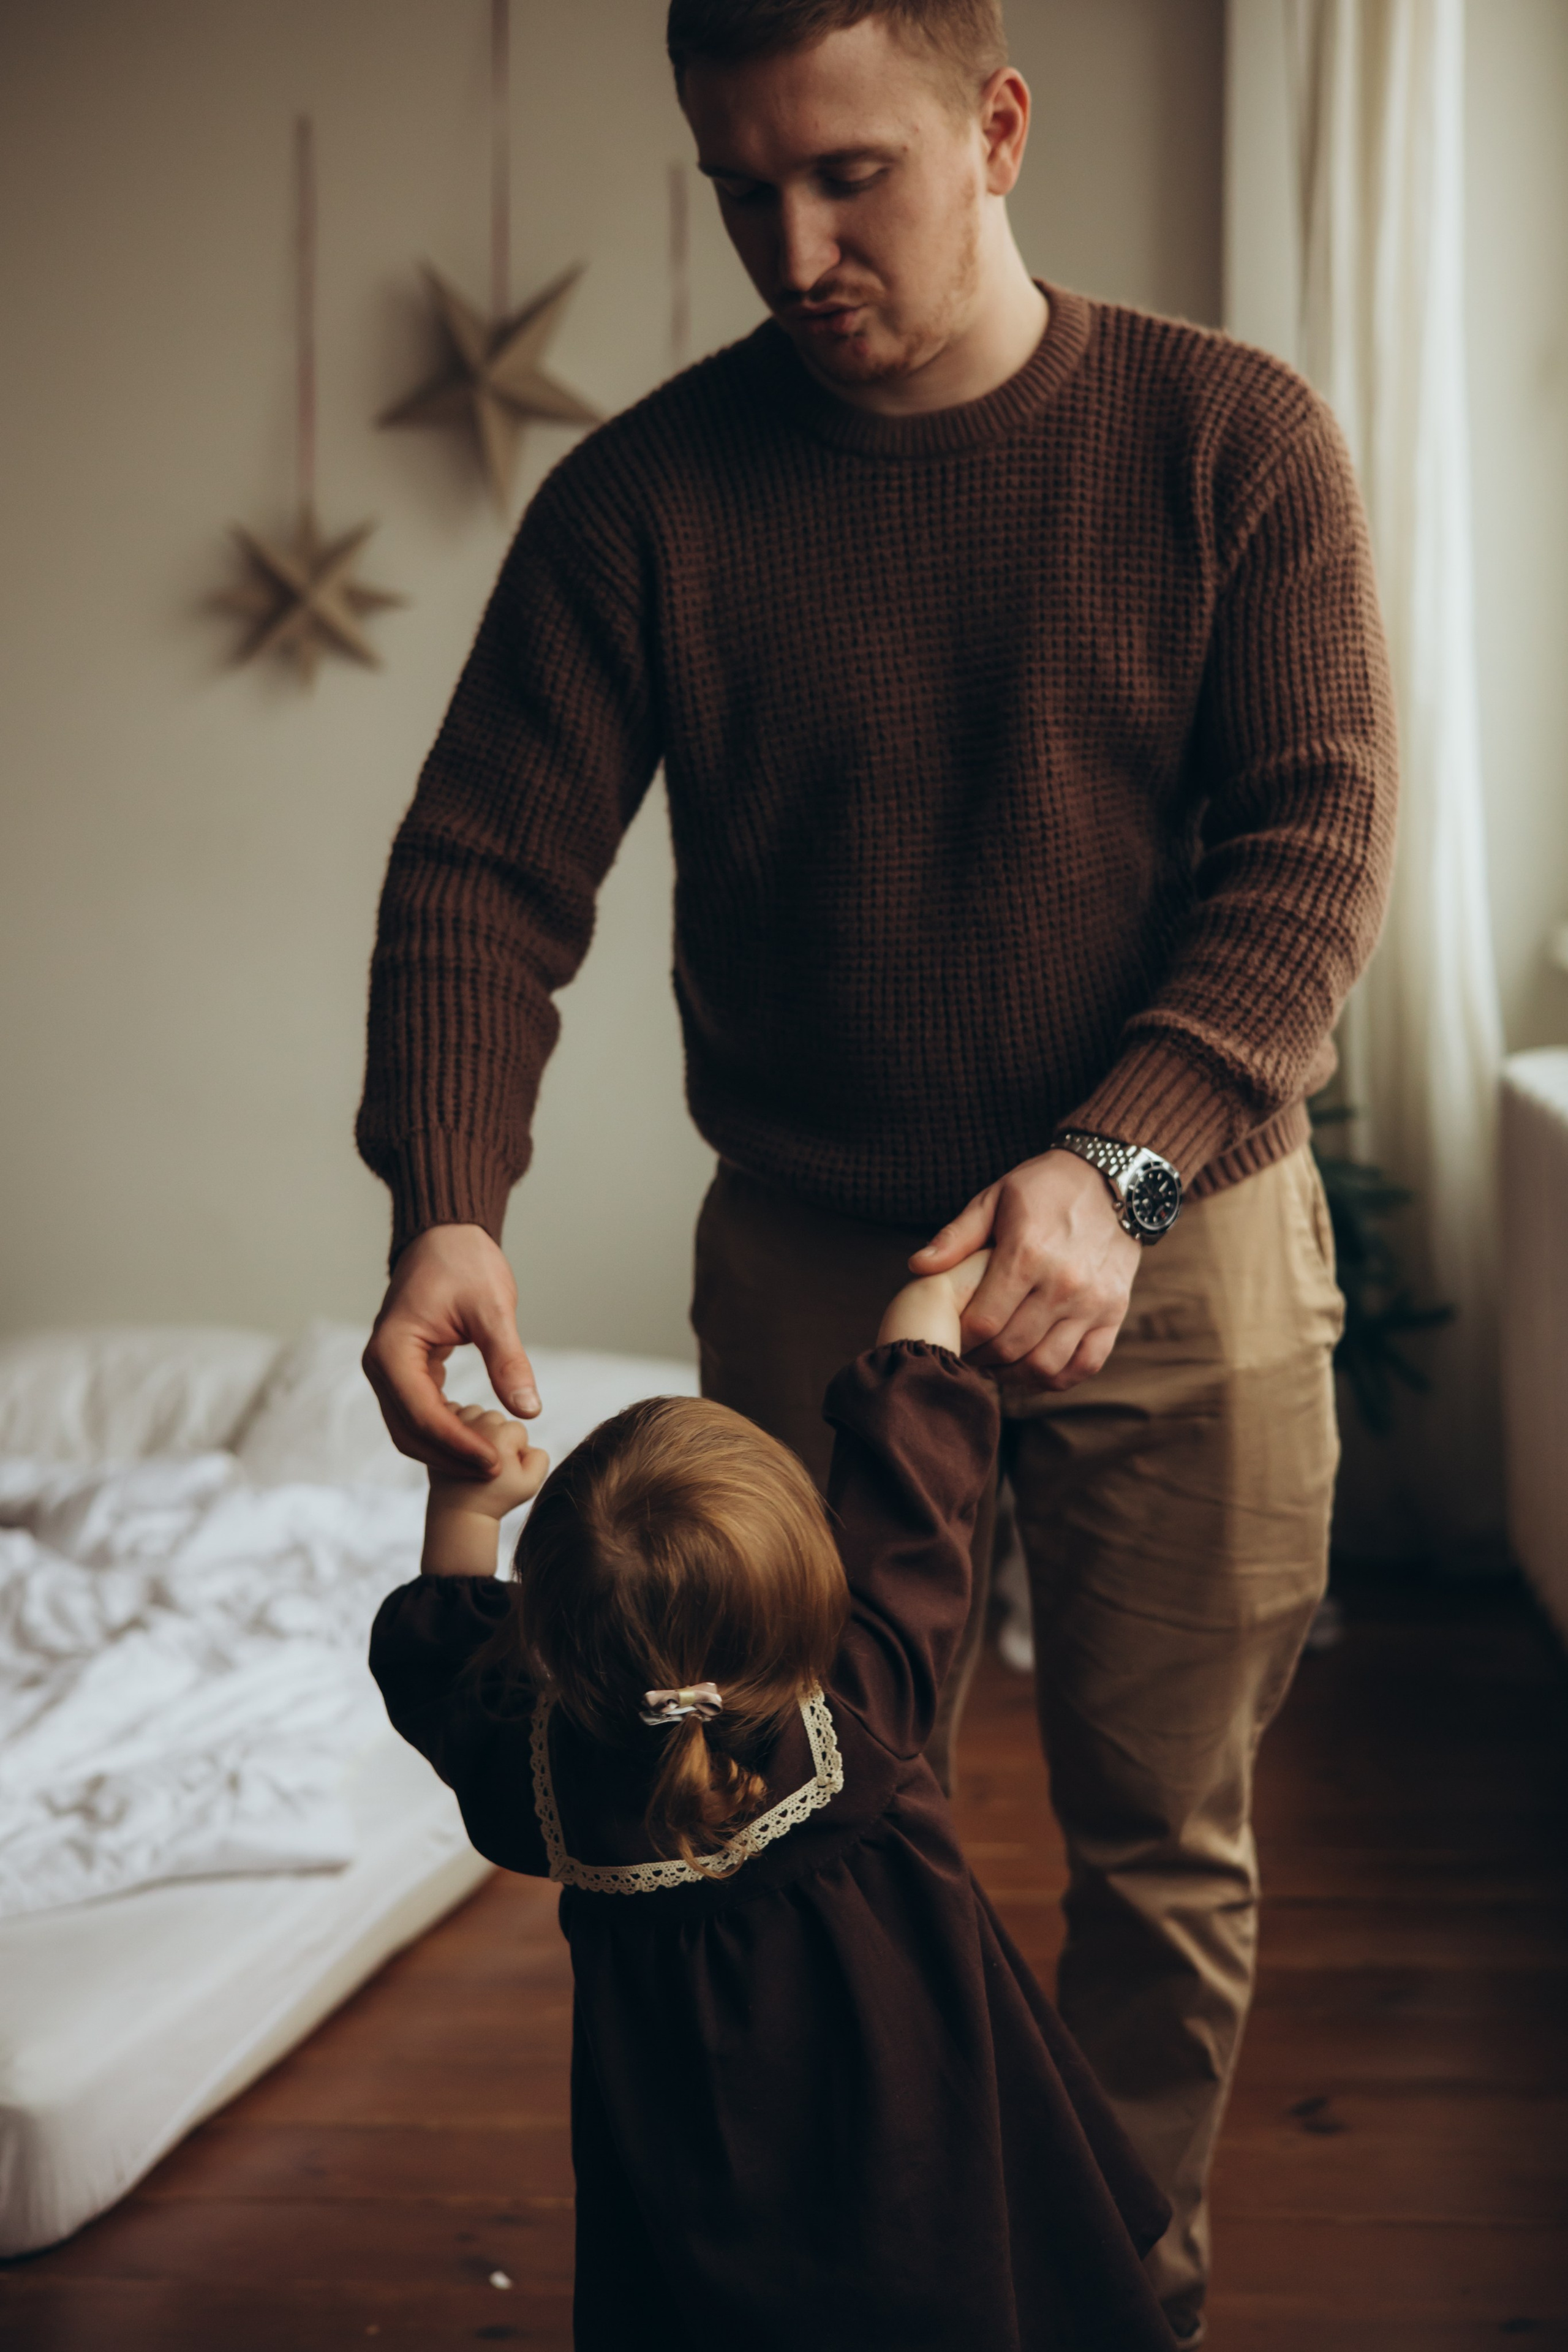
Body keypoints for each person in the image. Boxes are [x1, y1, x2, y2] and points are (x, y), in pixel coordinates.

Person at [355, 2, 1396, 2337]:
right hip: (819, 1266)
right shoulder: (642, 503)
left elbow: (1316, 843)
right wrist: (447, 1196)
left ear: (996, 127)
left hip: (1180, 1243)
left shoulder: (1229, 440)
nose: (791, 244)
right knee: (763, 1835)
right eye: (740, 187)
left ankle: (1122, 2296)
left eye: (851, 175)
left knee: (1163, 1856)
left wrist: (1108, 1166)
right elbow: (484, 872)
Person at [369, 1251, 1180, 2351]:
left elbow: (447, 1681)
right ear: (816, 1591)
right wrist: (926, 1315)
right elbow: (910, 1491)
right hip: (927, 2196)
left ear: (550, 1635)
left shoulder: (544, 1781)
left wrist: (466, 1502)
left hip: (702, 2231)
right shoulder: (862, 1703)